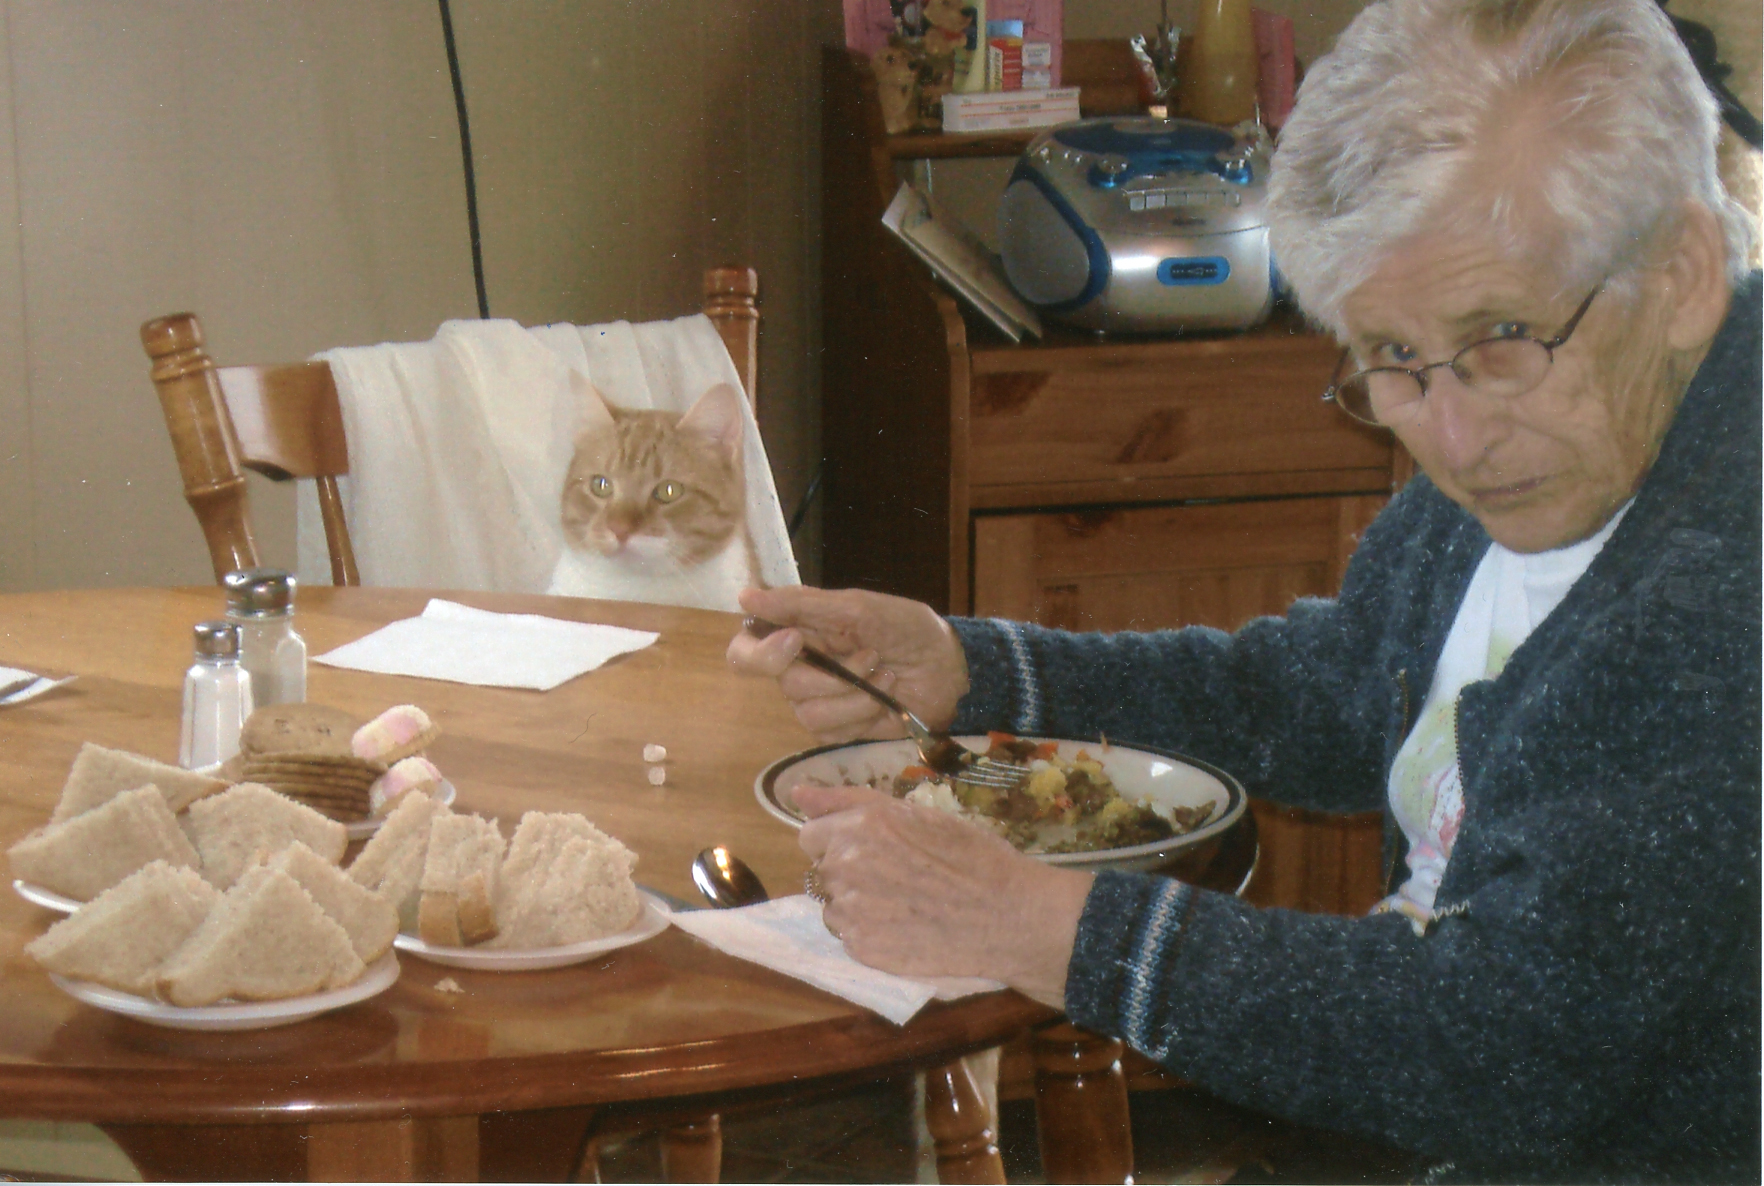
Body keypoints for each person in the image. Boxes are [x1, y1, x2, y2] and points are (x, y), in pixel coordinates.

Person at [728, 0, 1760, 1180]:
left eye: (1505, 336)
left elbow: (1498, 1050)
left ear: (1679, 274)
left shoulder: (1723, 589)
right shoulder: (1555, 446)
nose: (1457, 437)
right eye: (1392, 360)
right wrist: (973, 669)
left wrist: (1044, 927)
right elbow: (1328, 688)